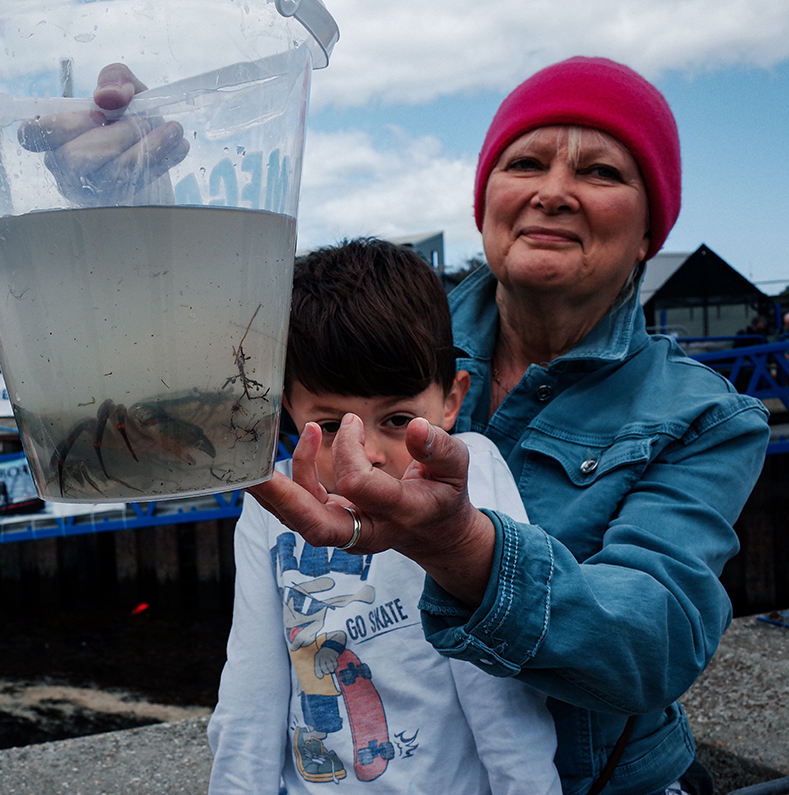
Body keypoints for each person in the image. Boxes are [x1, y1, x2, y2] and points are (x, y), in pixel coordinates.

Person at [243, 58, 771, 794]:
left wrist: (461, 547)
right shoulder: (385, 330)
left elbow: (654, 645)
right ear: (484, 201)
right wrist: (118, 177)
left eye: (601, 172)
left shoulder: (706, 414)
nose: (552, 192)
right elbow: (182, 387)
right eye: (524, 163)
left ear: (651, 230)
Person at [207, 238, 561, 794]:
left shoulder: (472, 473)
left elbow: (501, 695)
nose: (364, 455)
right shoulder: (271, 505)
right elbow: (251, 688)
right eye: (330, 425)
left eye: (396, 420)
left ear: (452, 400)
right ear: (287, 411)